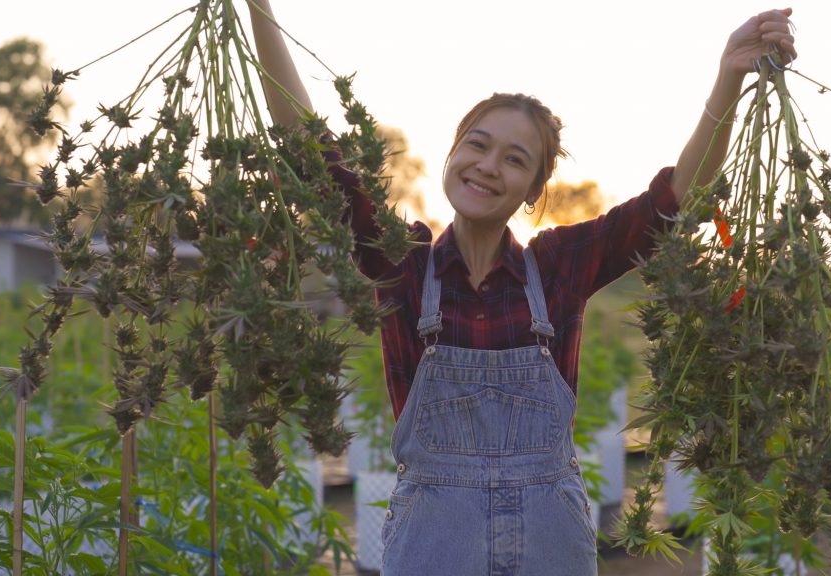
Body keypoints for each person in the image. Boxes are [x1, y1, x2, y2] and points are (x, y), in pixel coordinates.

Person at [248, 3, 796, 574]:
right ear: (452, 153)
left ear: (533, 190)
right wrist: (260, 11)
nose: (488, 166)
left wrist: (729, 76)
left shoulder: (560, 267)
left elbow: (676, 202)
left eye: (515, 159)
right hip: (434, 544)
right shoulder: (403, 263)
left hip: (549, 544)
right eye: (477, 145)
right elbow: (314, 163)